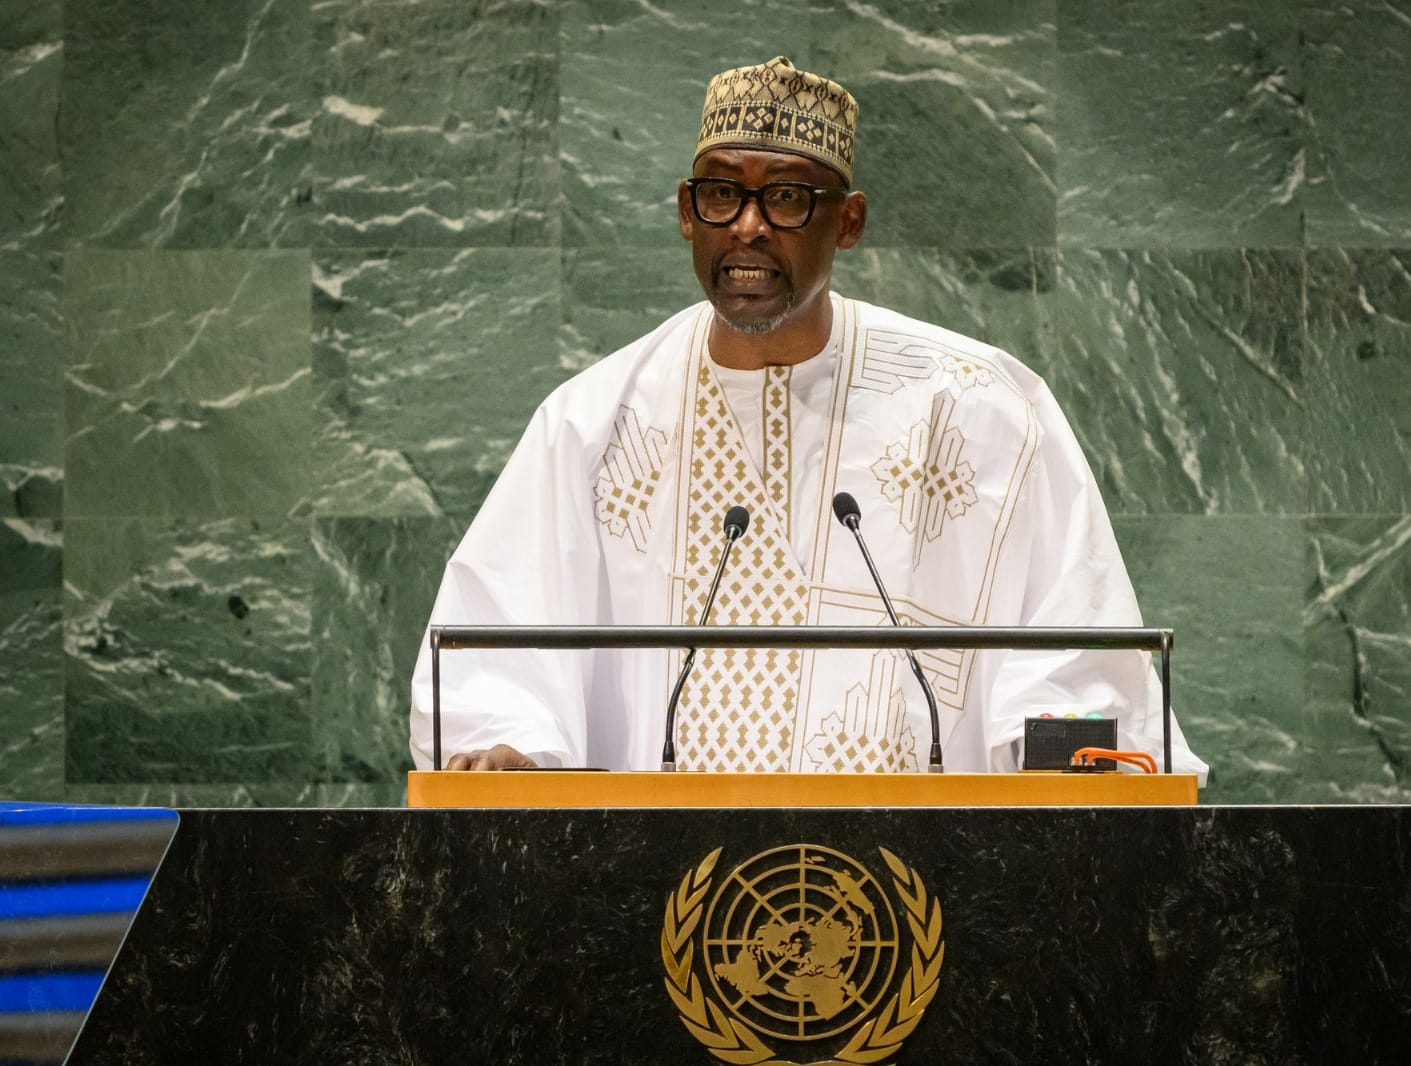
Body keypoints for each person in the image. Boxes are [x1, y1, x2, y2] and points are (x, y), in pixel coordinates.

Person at [410, 57, 1207, 780]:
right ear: (687, 214)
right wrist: (510, 749)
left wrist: (1071, 767)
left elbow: (1072, 651)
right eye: (722, 193)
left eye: (787, 198)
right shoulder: (595, 424)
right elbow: (496, 648)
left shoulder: (977, 407)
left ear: (849, 222)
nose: (748, 226)